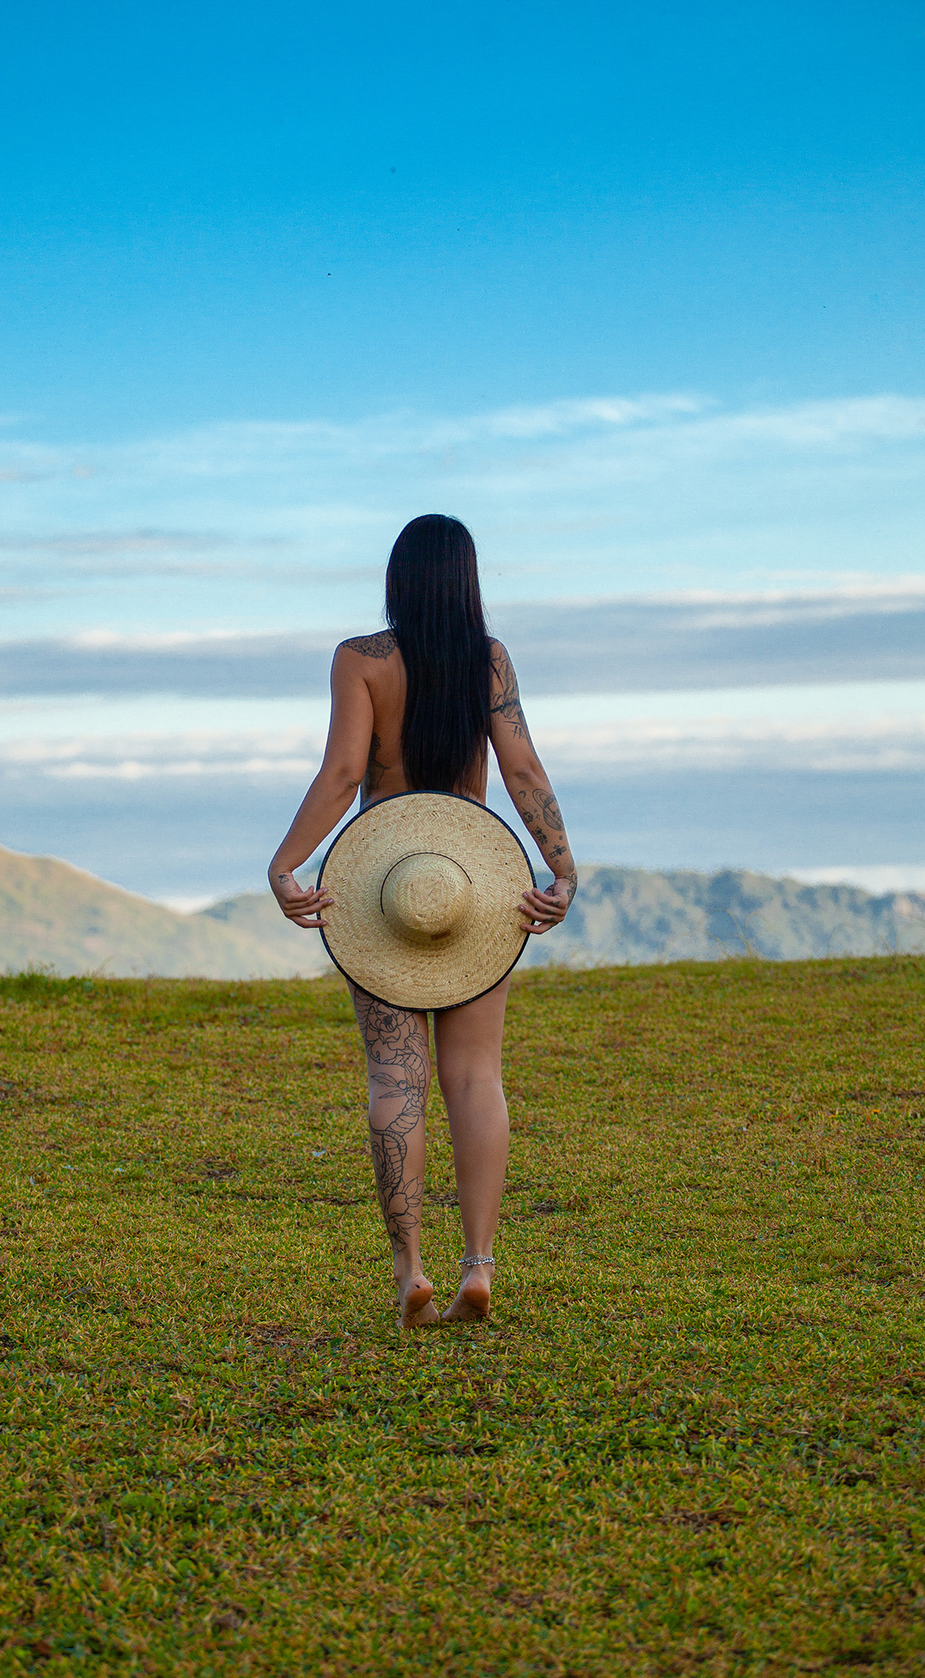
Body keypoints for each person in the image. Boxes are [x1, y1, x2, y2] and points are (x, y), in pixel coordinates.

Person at [268, 515, 577, 1329]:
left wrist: (286, 863)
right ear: (468, 580)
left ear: (397, 578)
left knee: (394, 1080)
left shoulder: (361, 660)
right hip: (475, 883)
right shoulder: (489, 659)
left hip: (384, 883)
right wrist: (562, 867)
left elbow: (343, 774)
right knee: (475, 1078)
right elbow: (523, 768)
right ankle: (480, 1263)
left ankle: (411, 1269)